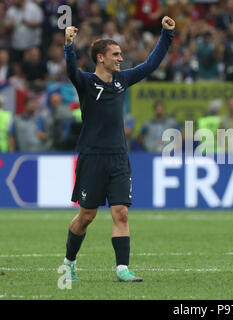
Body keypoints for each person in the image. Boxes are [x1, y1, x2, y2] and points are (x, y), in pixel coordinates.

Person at [62, 16, 175, 282]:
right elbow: (70, 70)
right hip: (92, 158)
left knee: (121, 212)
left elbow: (150, 64)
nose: (120, 58)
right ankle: (69, 262)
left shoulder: (122, 80)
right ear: (100, 58)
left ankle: (122, 269)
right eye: (115, 54)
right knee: (86, 216)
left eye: (121, 54)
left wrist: (166, 34)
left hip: (118, 158)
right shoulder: (87, 83)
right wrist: (68, 45)